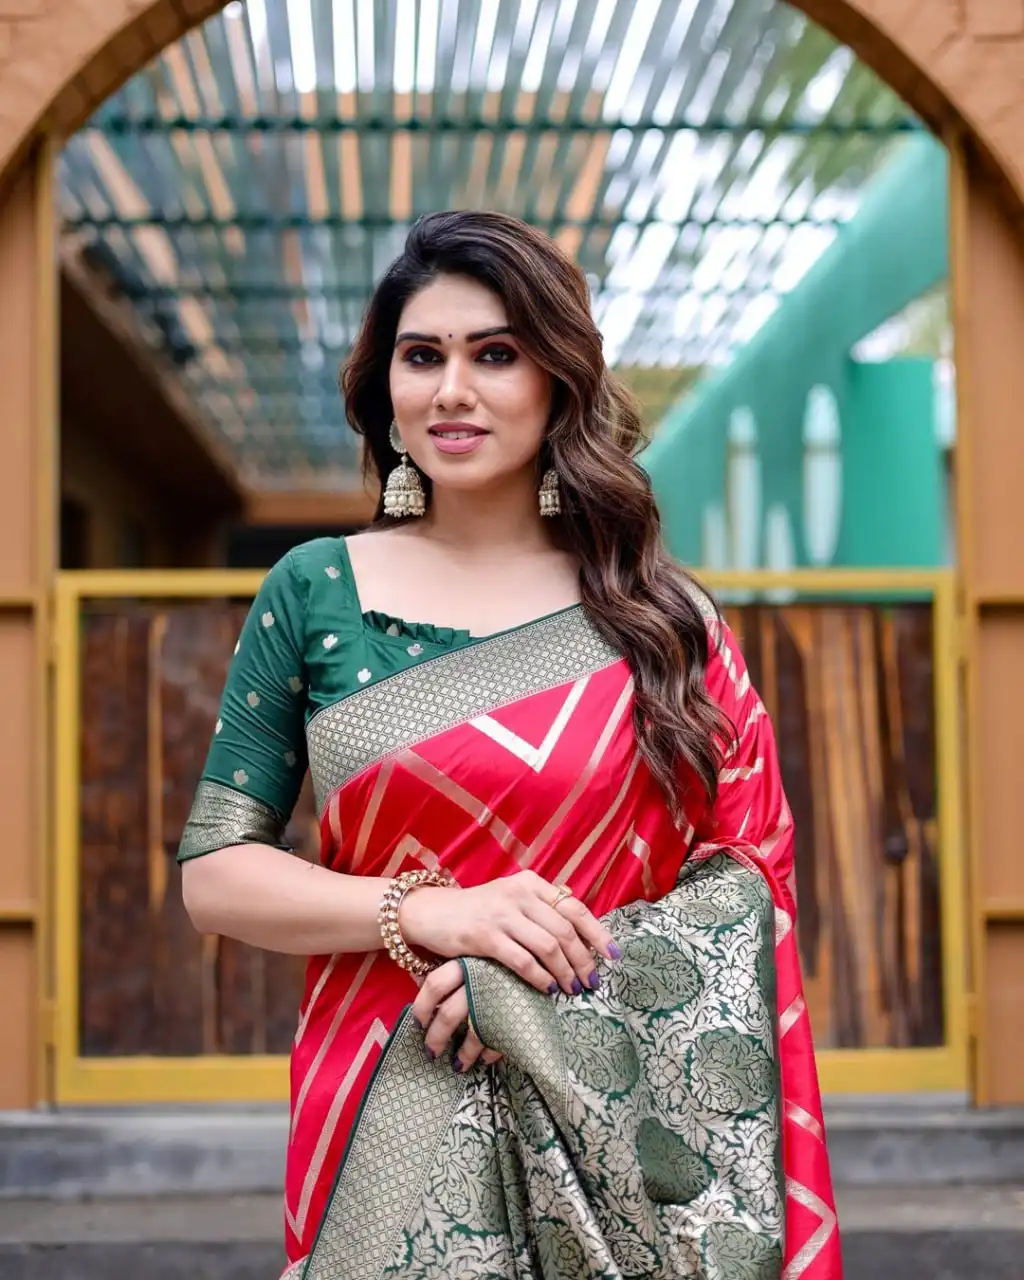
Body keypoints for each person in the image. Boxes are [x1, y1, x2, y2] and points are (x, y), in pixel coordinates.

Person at [178, 210, 841, 1279]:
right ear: (386, 386)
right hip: (382, 1103)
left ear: (557, 380)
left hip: (610, 1123)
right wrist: (426, 912)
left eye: (495, 354)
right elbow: (215, 873)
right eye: (422, 356)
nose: (453, 389)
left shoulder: (659, 621)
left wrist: (529, 993)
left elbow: (747, 882)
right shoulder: (315, 591)